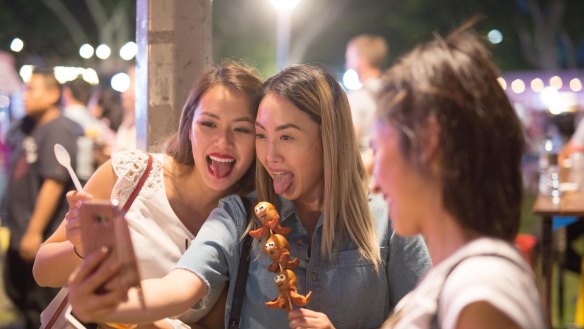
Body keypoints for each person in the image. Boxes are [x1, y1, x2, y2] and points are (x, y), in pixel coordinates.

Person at [65, 64, 431, 329]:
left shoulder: (391, 222)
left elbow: (431, 318)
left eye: (286, 137)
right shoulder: (241, 214)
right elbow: (181, 285)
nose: (269, 156)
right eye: (260, 135)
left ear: (329, 141)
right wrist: (114, 301)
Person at [33, 61, 263, 328]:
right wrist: (81, 250)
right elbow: (43, 272)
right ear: (188, 125)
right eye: (208, 124)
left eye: (241, 129)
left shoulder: (247, 225)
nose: (223, 141)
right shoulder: (131, 174)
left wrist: (148, 320)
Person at [371, 22, 546, 328]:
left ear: (427, 141)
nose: (374, 181)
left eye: (379, 150)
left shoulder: (481, 289)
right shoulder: (467, 277)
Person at [1, 67, 83, 329]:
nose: (25, 95)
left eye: (31, 89)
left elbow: (54, 182)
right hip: (21, 231)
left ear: (52, 94)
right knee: (22, 300)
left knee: (42, 307)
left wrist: (34, 231)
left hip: (41, 235)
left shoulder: (58, 129)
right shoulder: (31, 126)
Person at [345, 34, 388, 175]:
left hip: (369, 182)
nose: (347, 64)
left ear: (361, 62)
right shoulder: (393, 93)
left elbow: (349, 146)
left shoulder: (357, 98)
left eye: (349, 58)